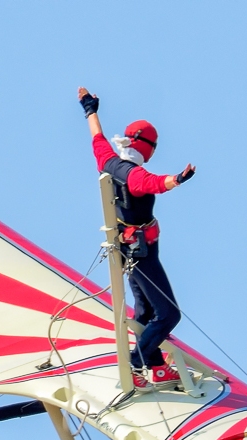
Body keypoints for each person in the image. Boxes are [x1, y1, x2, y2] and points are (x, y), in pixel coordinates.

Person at [78, 87, 196, 391]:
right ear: (147, 148)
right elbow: (158, 183)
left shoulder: (107, 161)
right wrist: (180, 179)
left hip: (128, 254)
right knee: (169, 314)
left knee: (144, 312)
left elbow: (97, 138)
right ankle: (140, 361)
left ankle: (154, 366)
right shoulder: (136, 176)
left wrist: (89, 108)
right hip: (144, 255)